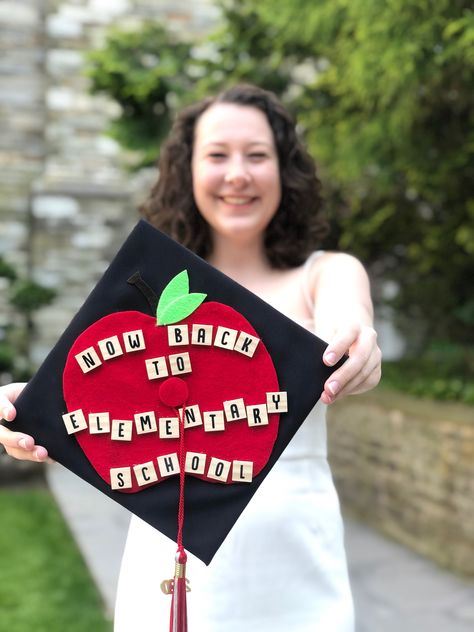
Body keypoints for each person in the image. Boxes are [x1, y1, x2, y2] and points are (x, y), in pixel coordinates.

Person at [0, 84, 381, 631]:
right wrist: (29, 413)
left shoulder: (324, 273)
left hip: (294, 563)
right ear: (187, 169)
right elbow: (101, 406)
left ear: (285, 170)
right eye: (217, 155)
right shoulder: (149, 288)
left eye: (257, 155)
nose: (237, 174)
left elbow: (352, 321)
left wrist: (358, 346)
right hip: (171, 561)